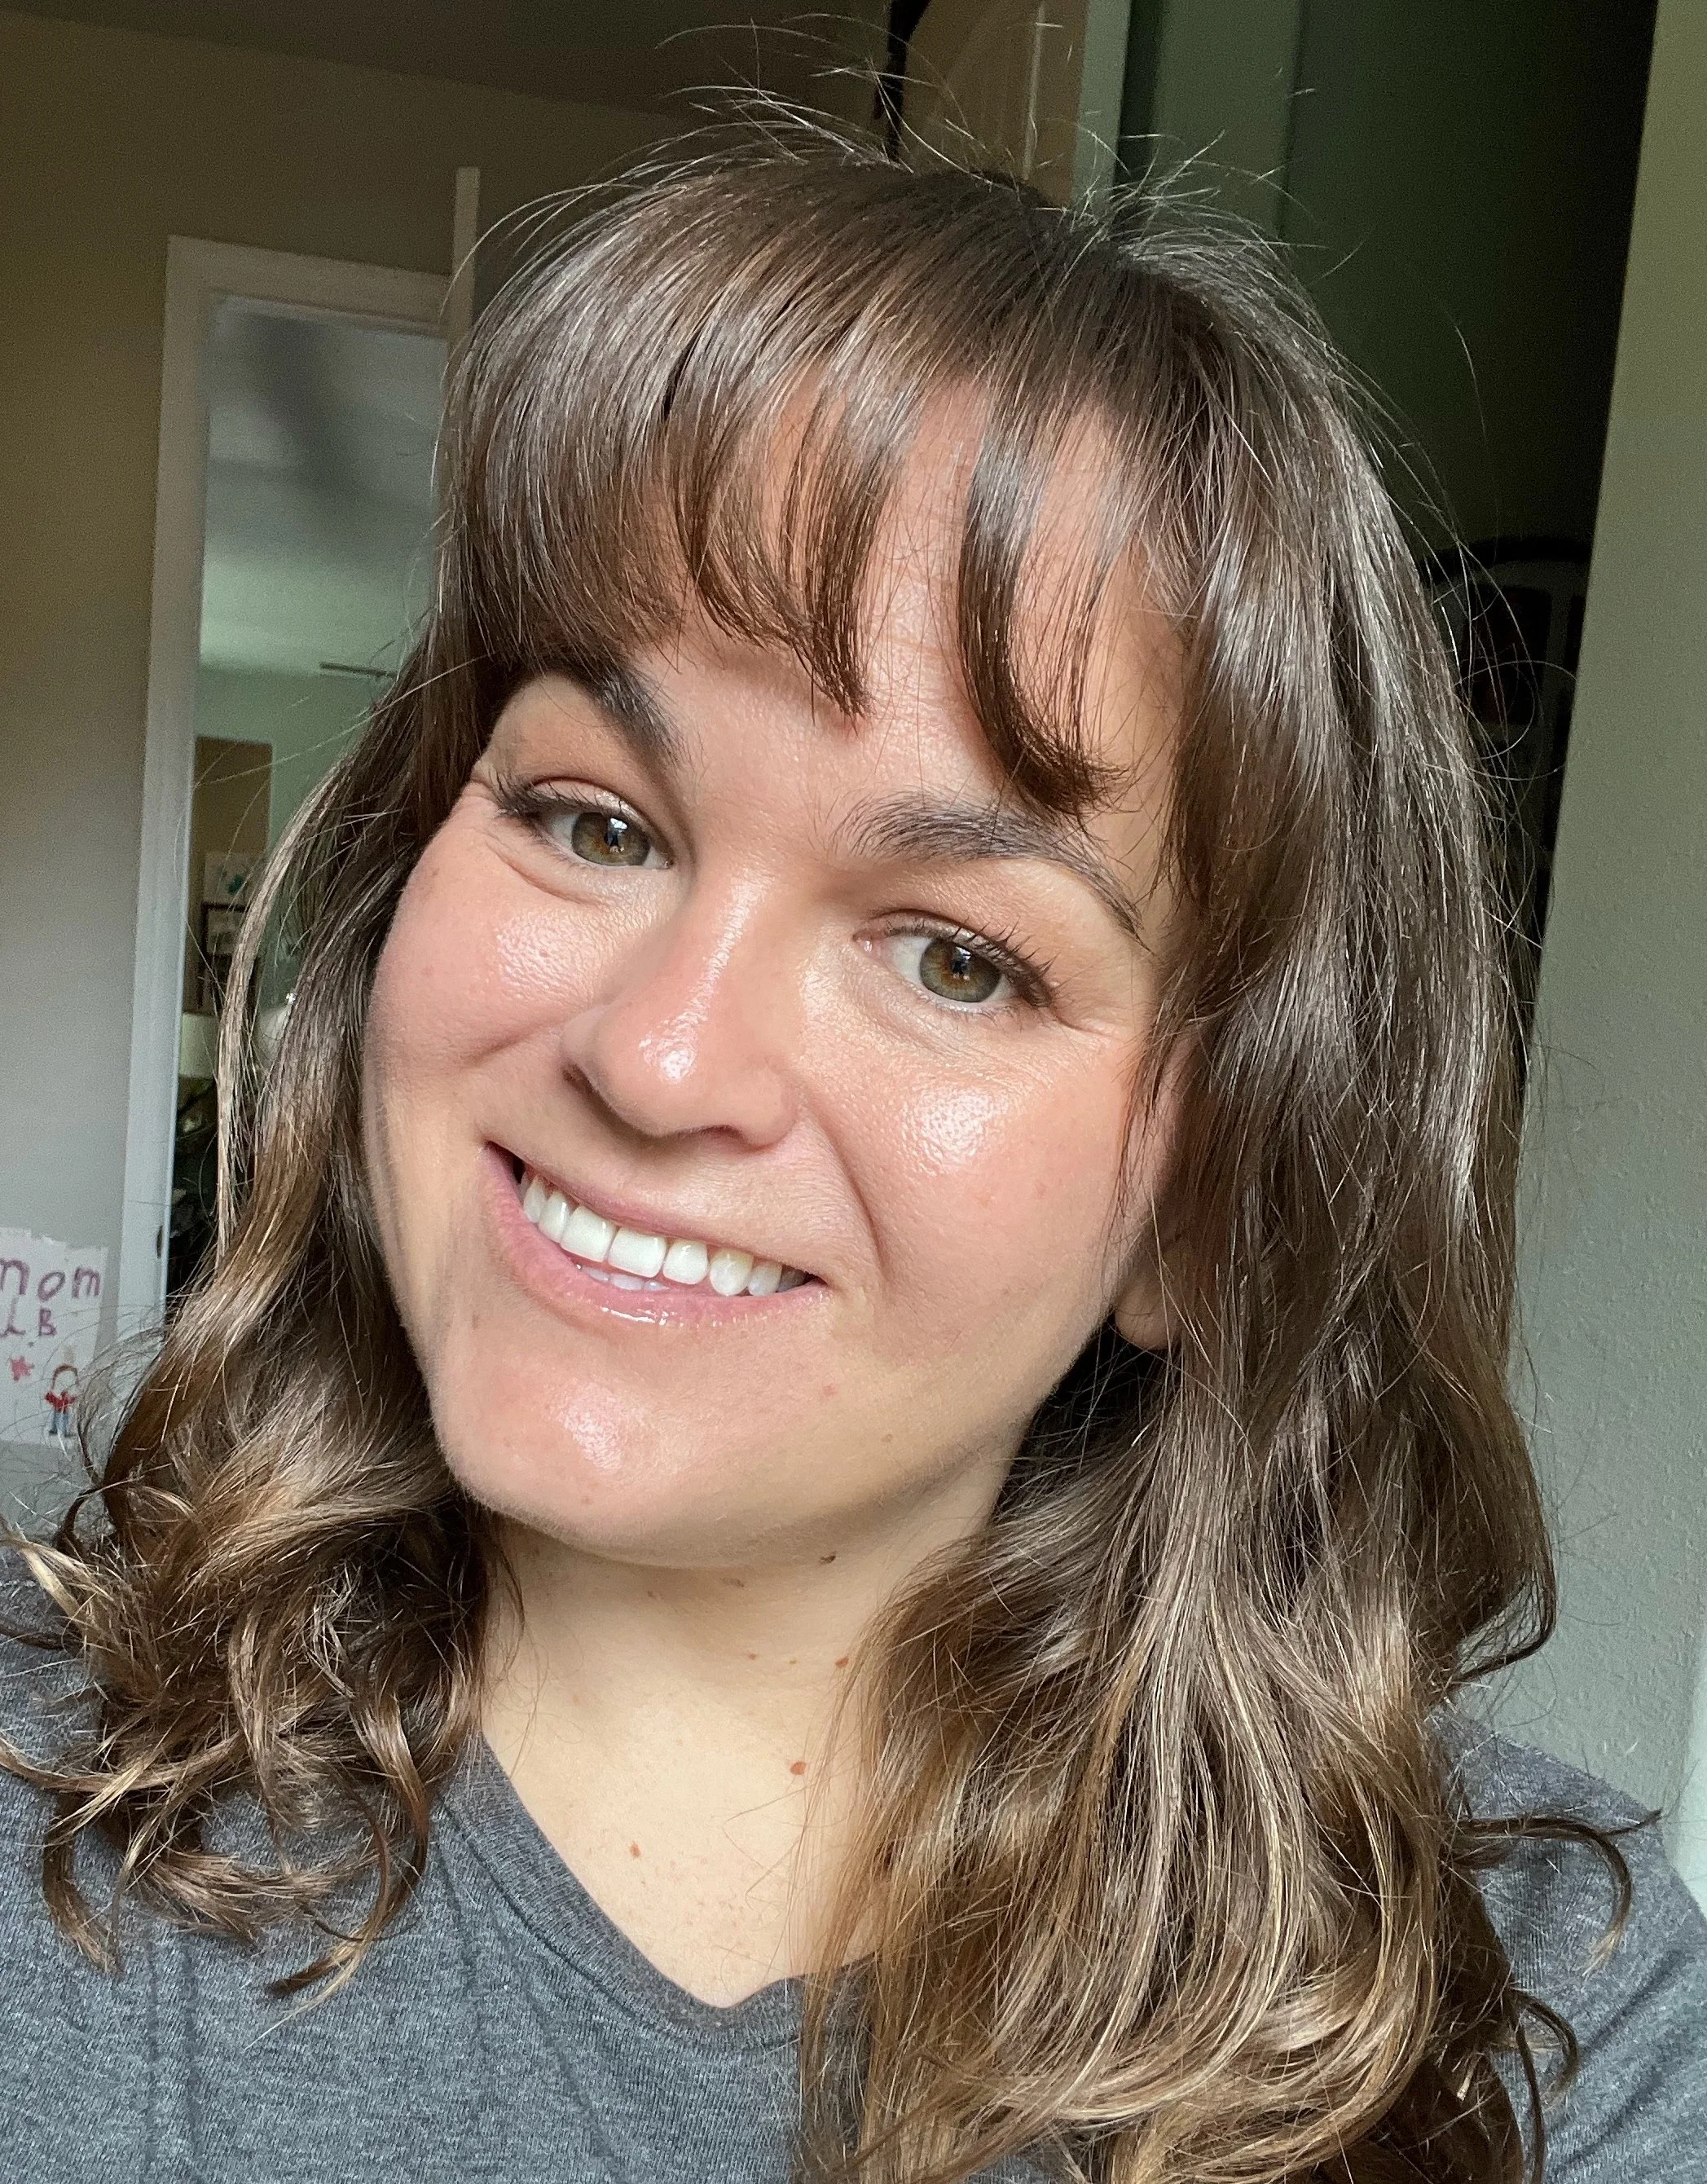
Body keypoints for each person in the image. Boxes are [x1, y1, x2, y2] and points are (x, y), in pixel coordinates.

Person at [2, 139, 1703, 2184]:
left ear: (1209, 1203)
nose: (656, 1055)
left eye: (958, 957)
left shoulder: (1540, 2023)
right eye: (595, 819)